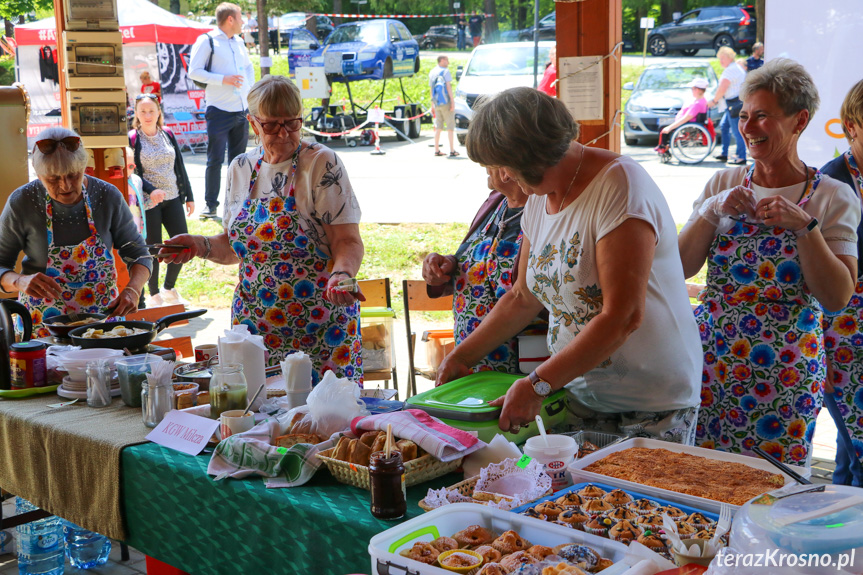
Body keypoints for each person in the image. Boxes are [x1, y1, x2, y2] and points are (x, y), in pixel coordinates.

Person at [438, 87, 702, 441]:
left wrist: (536, 385)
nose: (498, 178)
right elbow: (522, 297)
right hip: (576, 394)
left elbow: (623, 316)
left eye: (501, 167)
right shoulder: (539, 197)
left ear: (530, 159)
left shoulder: (620, 187)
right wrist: (461, 356)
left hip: (650, 402)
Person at [679, 59, 860, 467]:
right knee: (704, 478)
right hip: (713, 365)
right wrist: (710, 211)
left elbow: (837, 297)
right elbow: (679, 268)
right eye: (744, 115)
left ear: (800, 121)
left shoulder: (832, 196)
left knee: (774, 489)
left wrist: (806, 228)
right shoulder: (722, 184)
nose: (747, 127)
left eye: (762, 116)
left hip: (786, 376)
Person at [158, 76, 365, 384]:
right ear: (253, 123)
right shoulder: (241, 168)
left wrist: (342, 274)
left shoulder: (321, 162)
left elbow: (347, 241)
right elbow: (234, 247)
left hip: (321, 330)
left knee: (323, 424)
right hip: (255, 332)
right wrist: (200, 244)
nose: (283, 133)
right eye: (271, 125)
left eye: (292, 124)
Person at [0, 127, 151, 336]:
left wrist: (133, 290)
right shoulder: (22, 202)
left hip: (103, 327)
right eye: (53, 179)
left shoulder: (107, 196)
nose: (66, 186)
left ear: (84, 167)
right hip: (43, 329)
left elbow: (139, 253)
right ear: (38, 174)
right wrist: (19, 281)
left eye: (73, 175)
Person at [423, 168, 542, 374]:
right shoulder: (496, 202)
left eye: (488, 161)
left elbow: (526, 294)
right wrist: (449, 265)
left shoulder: (545, 211)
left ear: (508, 169)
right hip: (472, 365)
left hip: (525, 370)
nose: (484, 168)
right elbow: (485, 261)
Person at [820, 79, 863, 484]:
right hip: (841, 335)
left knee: (852, 457)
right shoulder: (831, 185)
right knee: (856, 450)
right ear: (851, 126)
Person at [188, 2, 254, 220]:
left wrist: (251, 94)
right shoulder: (207, 40)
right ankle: (210, 205)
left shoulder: (239, 42)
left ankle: (236, 204)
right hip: (219, 109)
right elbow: (194, 72)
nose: (244, 21)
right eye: (241, 17)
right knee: (215, 159)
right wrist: (223, 79)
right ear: (230, 20)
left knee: (239, 161)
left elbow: (247, 68)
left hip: (241, 110)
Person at [129, 94, 195, 308]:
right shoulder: (132, 138)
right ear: (136, 114)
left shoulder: (167, 134)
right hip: (149, 203)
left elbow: (180, 167)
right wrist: (151, 189)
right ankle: (154, 294)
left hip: (173, 197)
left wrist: (189, 197)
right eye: (142, 111)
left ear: (159, 112)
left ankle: (169, 288)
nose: (147, 115)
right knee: (153, 250)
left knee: (182, 246)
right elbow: (133, 173)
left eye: (151, 111)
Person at [709, 46, 747, 165]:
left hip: (733, 104)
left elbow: (723, 88)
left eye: (722, 58)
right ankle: (725, 153)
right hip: (733, 104)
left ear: (729, 57)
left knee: (736, 131)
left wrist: (714, 101)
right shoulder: (735, 67)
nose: (720, 61)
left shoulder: (731, 70)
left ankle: (741, 156)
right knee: (724, 126)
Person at [655, 77, 709, 155]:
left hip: (687, 125)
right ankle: (663, 146)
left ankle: (663, 147)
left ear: (697, 89)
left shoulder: (697, 104)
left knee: (663, 128)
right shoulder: (701, 100)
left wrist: (670, 127)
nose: (691, 91)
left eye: (692, 89)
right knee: (663, 126)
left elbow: (686, 118)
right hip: (687, 123)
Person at [429, 55, 458, 158]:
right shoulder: (445, 72)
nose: (448, 62)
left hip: (437, 103)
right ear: (442, 60)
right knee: (450, 127)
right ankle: (452, 150)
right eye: (446, 60)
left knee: (438, 127)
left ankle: (436, 149)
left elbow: (431, 89)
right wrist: (452, 102)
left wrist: (432, 104)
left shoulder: (432, 72)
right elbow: (448, 87)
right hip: (446, 102)